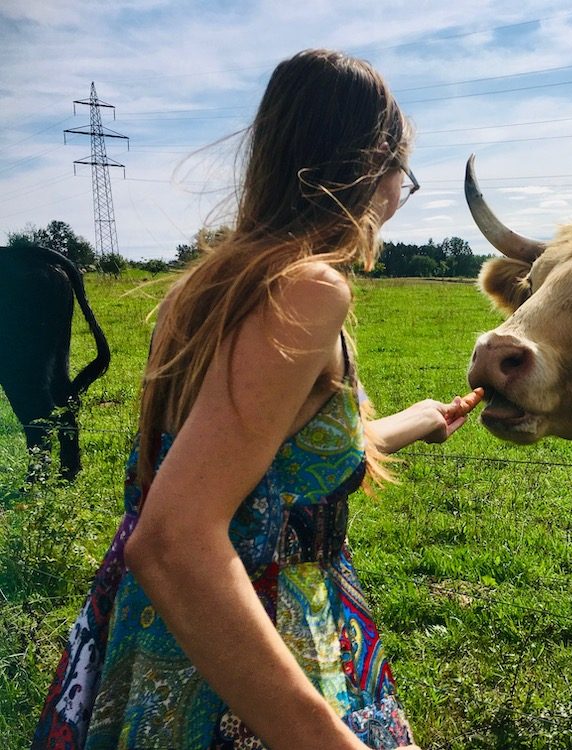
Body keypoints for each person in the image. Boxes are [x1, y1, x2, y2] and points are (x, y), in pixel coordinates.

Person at [33, 49, 482, 750]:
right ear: (374, 167)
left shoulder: (212, 285)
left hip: (158, 634)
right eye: (406, 175)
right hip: (250, 638)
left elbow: (256, 469)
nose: (400, 196)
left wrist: (413, 423)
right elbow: (176, 539)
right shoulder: (306, 291)